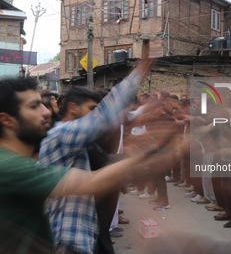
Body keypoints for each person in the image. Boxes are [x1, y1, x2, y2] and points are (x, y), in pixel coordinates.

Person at [0, 77, 169, 253]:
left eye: (43, 105)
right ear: (7, 120)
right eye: (34, 106)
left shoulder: (22, 161)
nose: (47, 112)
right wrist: (147, 153)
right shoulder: (11, 165)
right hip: (70, 239)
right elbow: (93, 181)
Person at [39, 59, 155, 253]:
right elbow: (103, 117)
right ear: (74, 108)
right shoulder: (60, 134)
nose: (94, 115)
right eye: (91, 110)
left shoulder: (74, 139)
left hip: (80, 236)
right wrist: (139, 71)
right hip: (69, 240)